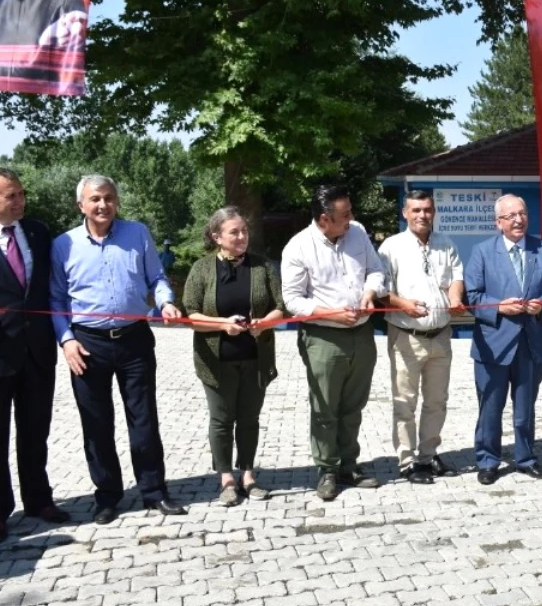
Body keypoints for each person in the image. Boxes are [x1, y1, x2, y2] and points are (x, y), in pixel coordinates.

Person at [50, 175, 186, 524]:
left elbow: (157, 278)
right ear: (81, 204)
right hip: (87, 344)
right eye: (95, 199)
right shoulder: (63, 244)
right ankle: (108, 497)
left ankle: (154, 492)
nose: (103, 205)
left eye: (109, 198)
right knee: (96, 424)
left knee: (144, 420)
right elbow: (56, 299)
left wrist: (166, 302)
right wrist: (66, 341)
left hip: (134, 339)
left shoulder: (137, 233)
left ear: (117, 202)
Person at [281, 184, 388, 500]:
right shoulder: (298, 248)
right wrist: (330, 313)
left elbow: (376, 271)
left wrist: (369, 294)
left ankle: (348, 465)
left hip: (362, 334)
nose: (351, 218)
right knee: (326, 407)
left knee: (354, 404)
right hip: (323, 337)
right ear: (324, 219)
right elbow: (292, 300)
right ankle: (327, 469)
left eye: (350, 211)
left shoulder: (358, 232)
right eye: (345, 214)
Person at [182, 206, 286, 506]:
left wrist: (264, 324)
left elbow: (281, 306)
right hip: (216, 359)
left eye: (244, 231)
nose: (242, 237)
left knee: (250, 418)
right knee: (221, 419)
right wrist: (222, 325)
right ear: (217, 236)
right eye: (234, 232)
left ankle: (248, 474)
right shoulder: (202, 269)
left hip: (255, 356)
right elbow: (191, 315)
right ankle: (226, 477)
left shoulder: (263, 267)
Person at [465, 194, 542, 485]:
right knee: (490, 408)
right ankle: (488, 460)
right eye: (511, 216)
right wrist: (498, 307)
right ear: (498, 223)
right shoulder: (482, 252)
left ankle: (526, 458)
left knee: (525, 408)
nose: (518, 219)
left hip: (531, 342)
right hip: (493, 344)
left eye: (522, 213)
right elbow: (473, 296)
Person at [377, 189, 465, 485]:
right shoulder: (391, 247)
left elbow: (456, 278)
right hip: (406, 335)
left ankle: (428, 455)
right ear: (405, 213)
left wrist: (455, 297)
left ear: (434, 211)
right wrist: (403, 304)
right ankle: (406, 461)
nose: (422, 215)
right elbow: (380, 291)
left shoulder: (446, 244)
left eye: (427, 209)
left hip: (441, 335)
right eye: (416, 210)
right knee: (405, 402)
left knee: (437, 401)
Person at [0, 168, 68, 541]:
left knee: (35, 431)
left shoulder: (39, 233)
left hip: (37, 353)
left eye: (21, 193)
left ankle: (39, 499)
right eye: (11, 195)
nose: (20, 201)